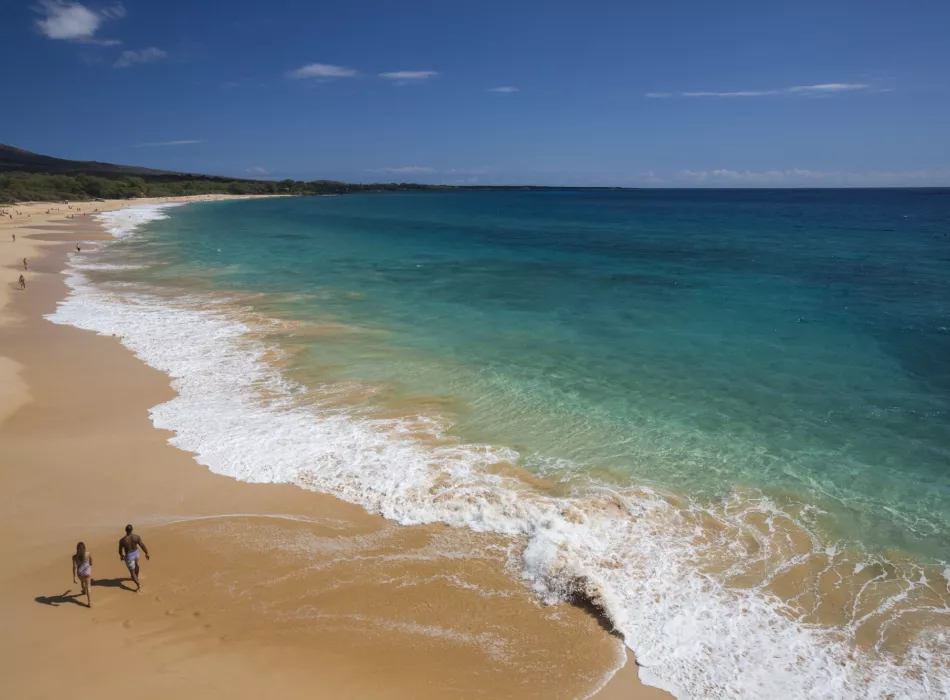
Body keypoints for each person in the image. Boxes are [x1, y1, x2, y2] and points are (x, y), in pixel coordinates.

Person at [118, 524, 150, 591]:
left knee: (132, 572)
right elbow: (142, 545)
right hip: (136, 554)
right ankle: (136, 577)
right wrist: (146, 553)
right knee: (136, 565)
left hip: (129, 556)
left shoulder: (122, 540)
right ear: (132, 530)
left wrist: (122, 556)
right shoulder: (136, 537)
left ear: (125, 530)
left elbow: (120, 551)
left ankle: (138, 585)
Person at [72, 542, 93, 607]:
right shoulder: (88, 553)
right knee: (88, 586)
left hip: (80, 573)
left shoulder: (74, 557)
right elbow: (91, 563)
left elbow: (74, 567)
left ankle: (83, 589)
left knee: (82, 579)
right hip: (87, 572)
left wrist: (74, 577)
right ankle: (89, 603)